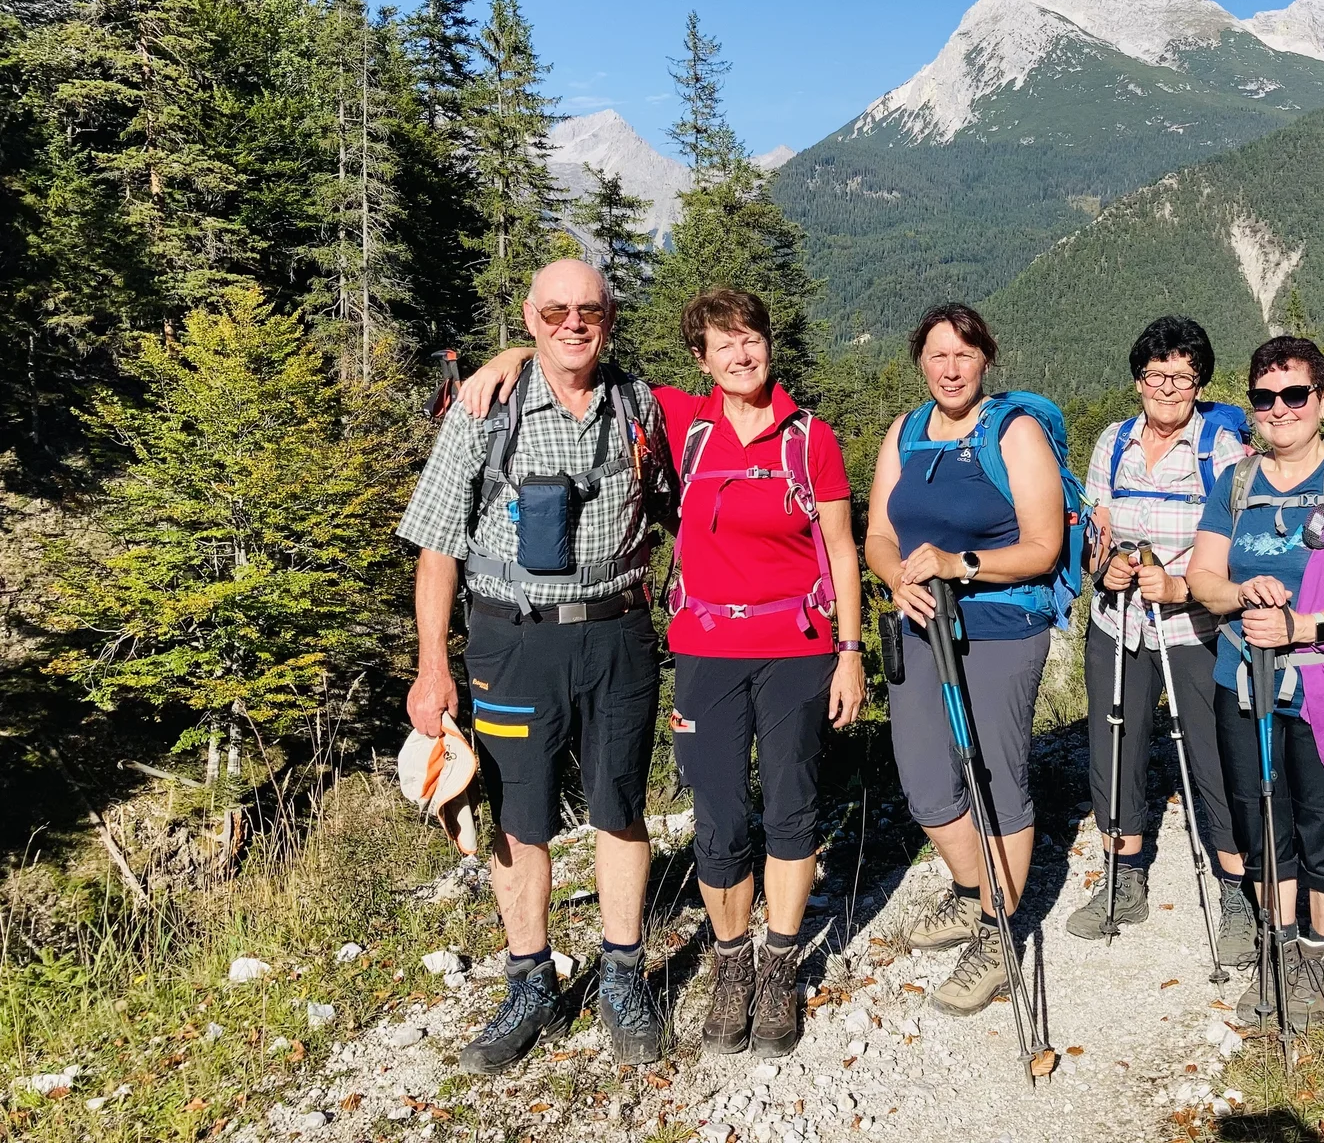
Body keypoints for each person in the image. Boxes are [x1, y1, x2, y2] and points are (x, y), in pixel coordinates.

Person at [459, 288, 865, 1059]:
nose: (741, 354)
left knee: (791, 806)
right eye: (724, 344)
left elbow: (842, 551)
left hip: (800, 647)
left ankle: (777, 969)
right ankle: (730, 963)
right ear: (701, 360)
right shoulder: (682, 420)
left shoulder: (811, 437)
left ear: (768, 345)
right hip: (707, 649)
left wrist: (851, 652)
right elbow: (579, 365)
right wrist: (512, 357)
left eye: (751, 339)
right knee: (717, 817)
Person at [398, 259, 675, 1074]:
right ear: (529, 318)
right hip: (510, 641)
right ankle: (530, 984)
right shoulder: (485, 409)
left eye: (588, 308)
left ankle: (622, 977)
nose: (572, 323)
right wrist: (430, 667)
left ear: (611, 315)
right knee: (521, 817)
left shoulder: (639, 405)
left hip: (620, 635)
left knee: (621, 807)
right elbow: (439, 547)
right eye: (554, 312)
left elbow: (678, 506)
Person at [1184, 335, 1324, 1031]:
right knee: (1259, 817)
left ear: (1322, 400)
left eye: (1294, 395)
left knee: (1323, 818)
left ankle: (1322, 953)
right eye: (1264, 397)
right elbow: (1201, 580)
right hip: (1242, 681)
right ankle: (1280, 945)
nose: (1279, 409)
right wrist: (1239, 590)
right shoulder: (1238, 483)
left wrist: (1302, 628)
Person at [864, 303, 1064, 1017]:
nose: (950, 368)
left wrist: (961, 563)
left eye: (965, 355)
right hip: (921, 624)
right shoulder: (907, 432)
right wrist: (897, 579)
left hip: (1002, 626)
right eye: (938, 355)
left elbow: (1045, 547)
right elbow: (879, 532)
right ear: (921, 360)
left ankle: (998, 931)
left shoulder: (1014, 433)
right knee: (926, 782)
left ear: (987, 362)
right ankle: (977, 890)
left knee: (995, 778)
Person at [1070, 317, 1255, 957]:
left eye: (1181, 375)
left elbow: (1241, 546)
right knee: (1114, 747)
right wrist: (1106, 566)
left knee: (1213, 755)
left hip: (1193, 626)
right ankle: (1123, 878)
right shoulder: (1112, 444)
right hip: (1117, 624)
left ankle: (1237, 889)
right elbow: (1092, 535)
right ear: (1138, 379)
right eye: (1156, 374)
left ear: (1200, 380)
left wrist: (1179, 588)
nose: (1168, 387)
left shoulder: (1222, 450)